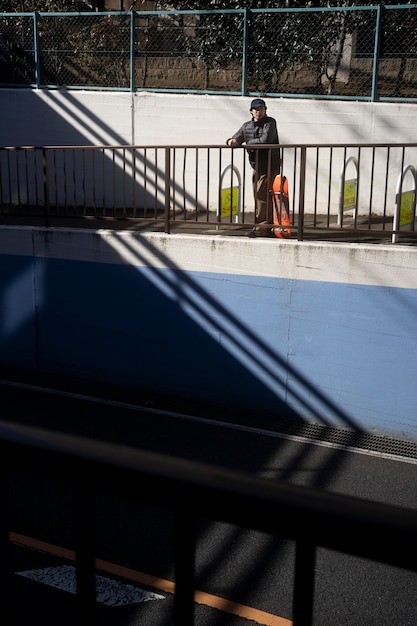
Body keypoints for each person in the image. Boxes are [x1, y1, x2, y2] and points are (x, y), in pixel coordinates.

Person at [226, 98, 280, 237]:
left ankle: (262, 228)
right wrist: (231, 141)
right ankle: (267, 226)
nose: (259, 112)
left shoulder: (270, 122)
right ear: (251, 112)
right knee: (260, 195)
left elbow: (265, 140)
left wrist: (247, 143)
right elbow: (237, 137)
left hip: (269, 164)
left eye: (261, 109)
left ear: (265, 110)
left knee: (261, 195)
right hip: (256, 165)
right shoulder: (247, 126)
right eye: (256, 109)